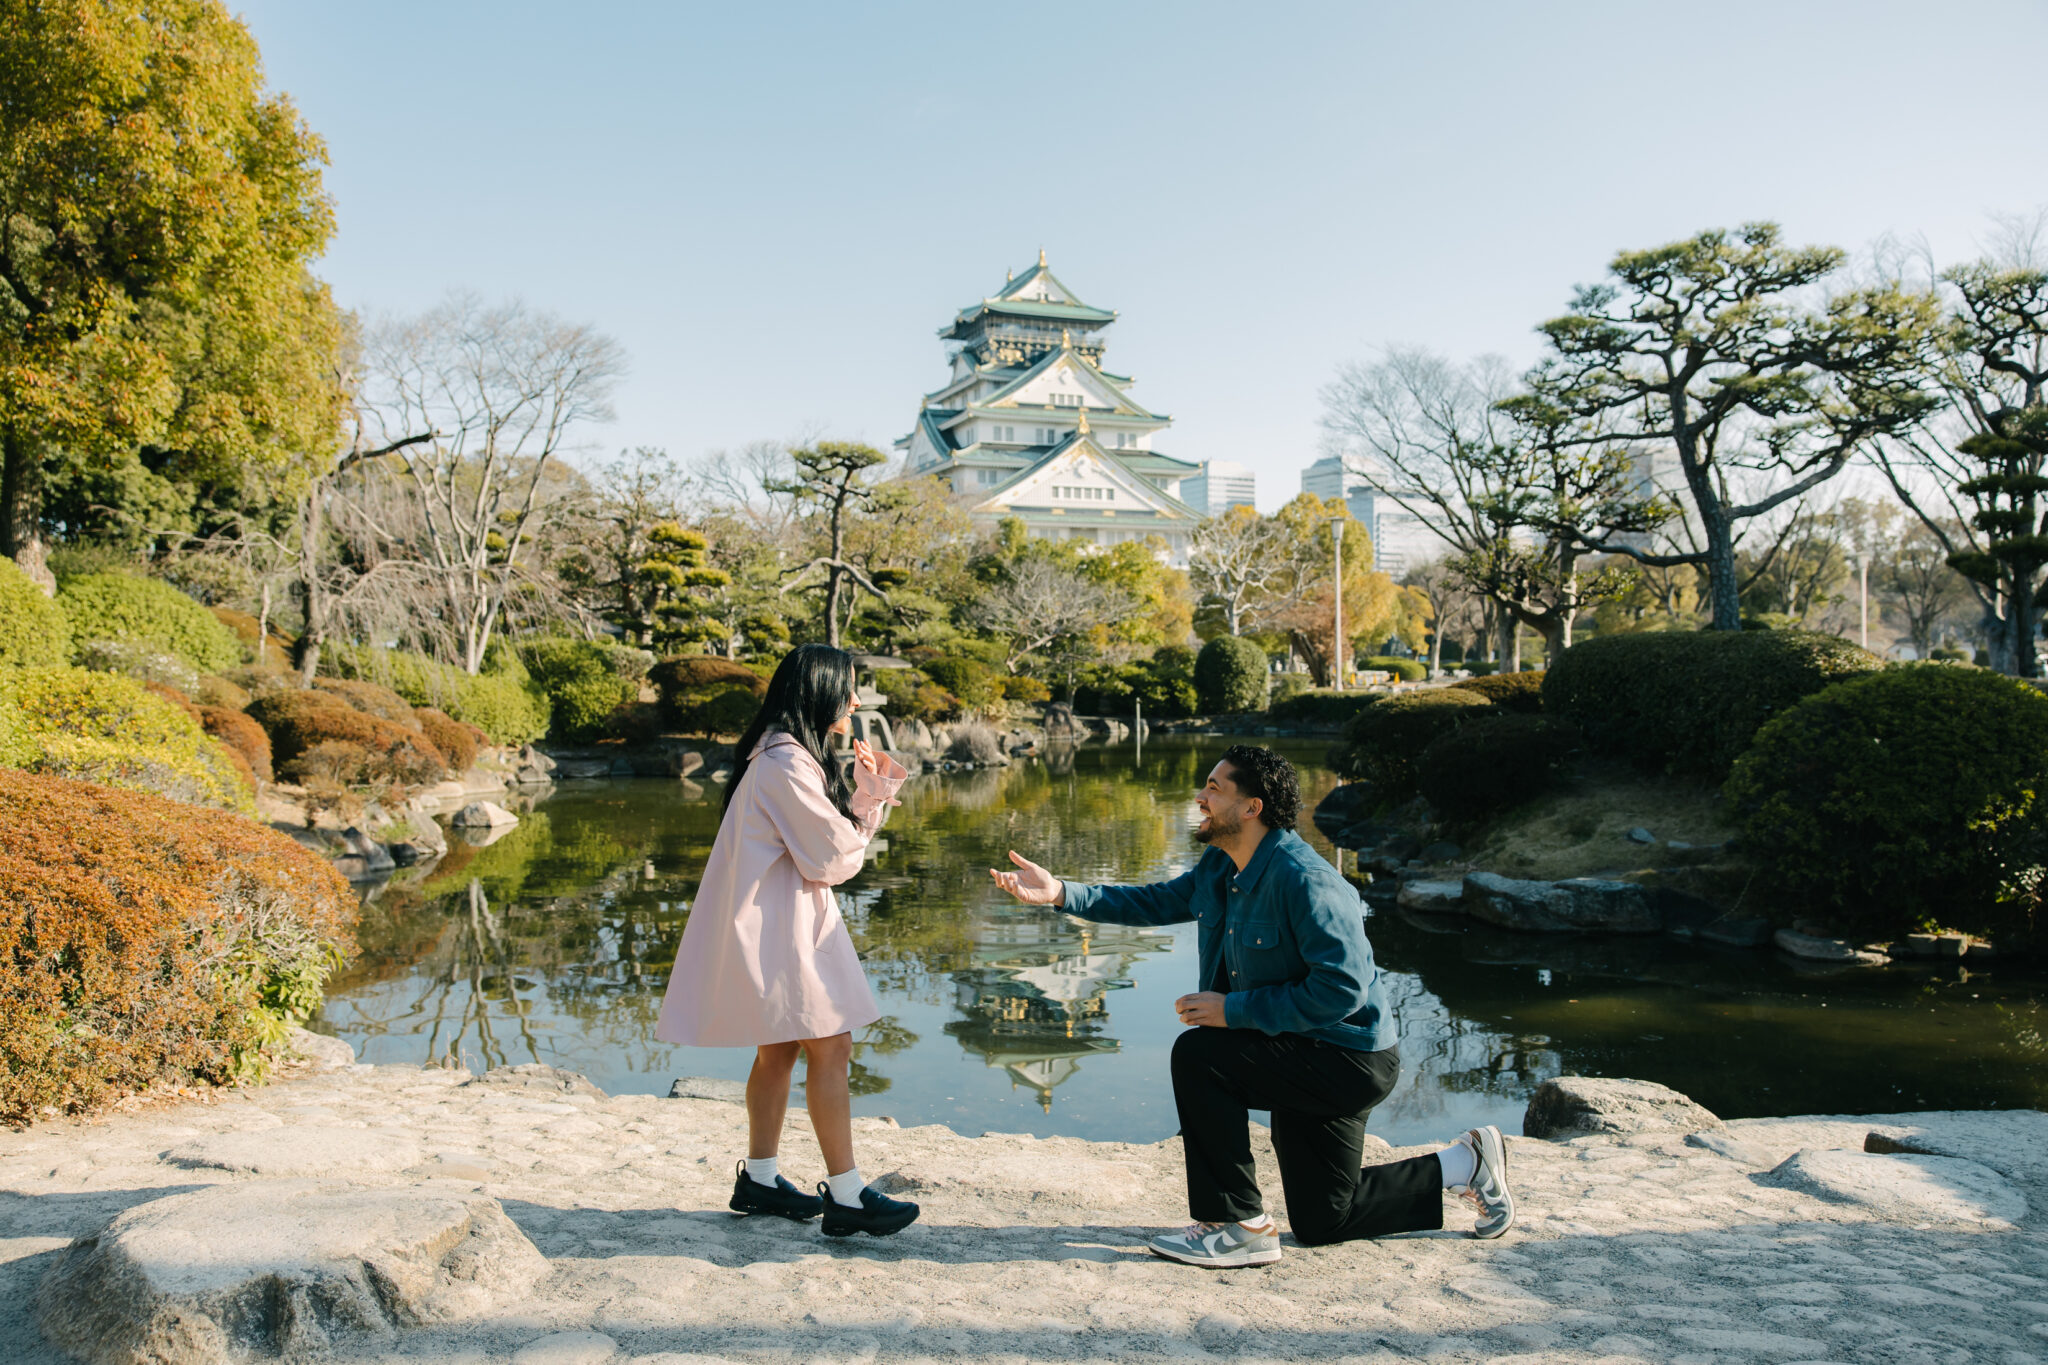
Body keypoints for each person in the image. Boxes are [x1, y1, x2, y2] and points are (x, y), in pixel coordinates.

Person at [989, 744, 1513, 1267]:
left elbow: (1341, 990)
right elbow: (1156, 901)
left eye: (1214, 788)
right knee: (1324, 1219)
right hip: (1294, 1047)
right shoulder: (1221, 864)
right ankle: (1464, 1164)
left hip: (1346, 1059)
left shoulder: (1308, 881)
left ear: (1251, 808)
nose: (1200, 797)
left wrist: (1232, 1011)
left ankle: (1236, 1225)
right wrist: (1061, 892)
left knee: (1201, 1056)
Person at [656, 644, 920, 1238]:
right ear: (818, 692)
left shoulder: (778, 756)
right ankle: (846, 1195)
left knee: (778, 1049)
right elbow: (834, 858)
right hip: (782, 928)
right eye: (848, 689)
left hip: (773, 922)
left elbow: (822, 849)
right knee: (832, 1046)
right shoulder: (785, 764)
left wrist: (865, 794)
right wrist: (871, 796)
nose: (855, 701)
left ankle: (760, 1178)